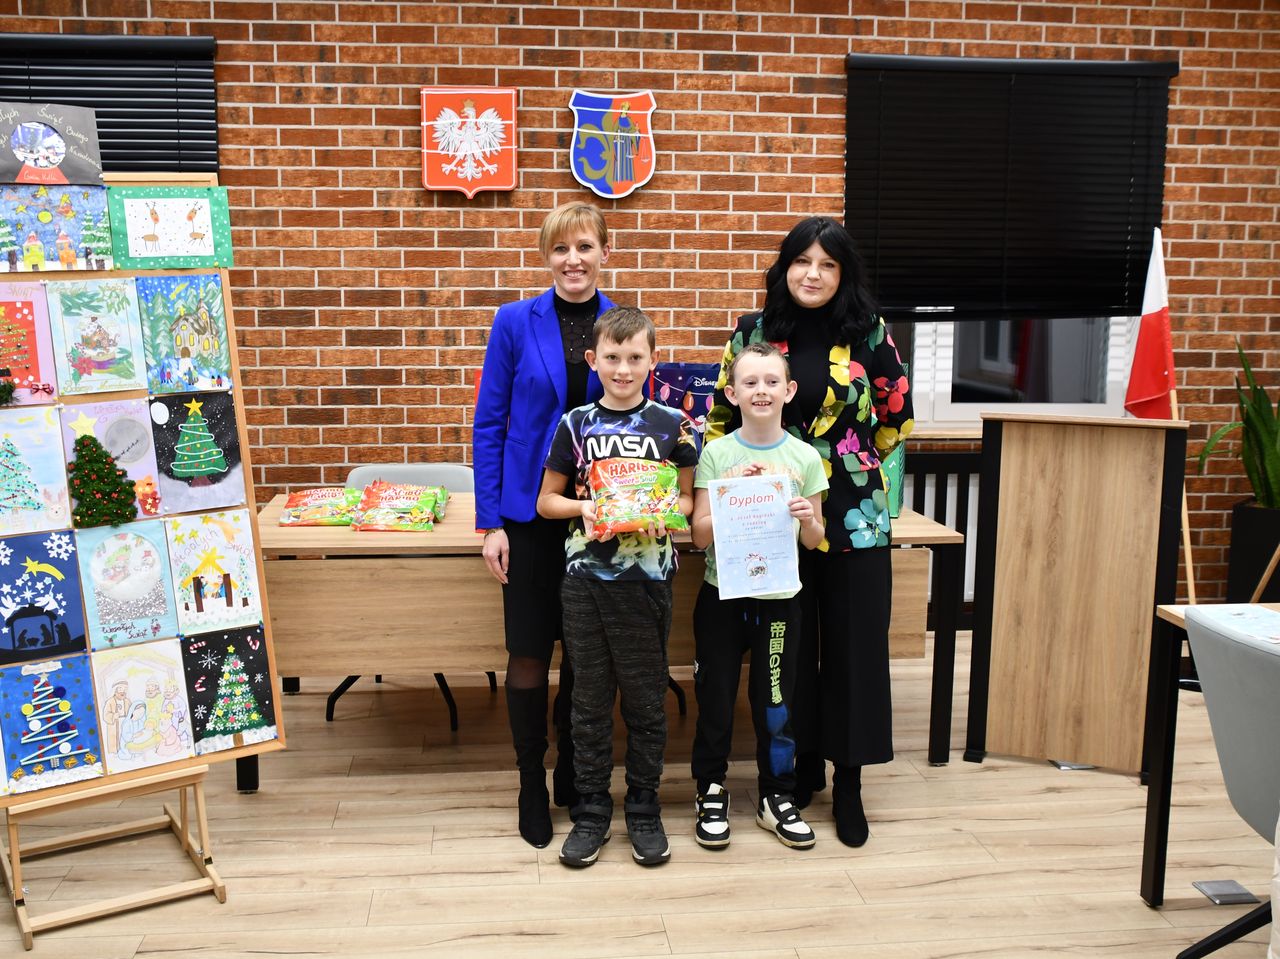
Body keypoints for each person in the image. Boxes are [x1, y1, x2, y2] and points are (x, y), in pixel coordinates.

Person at [705, 216, 913, 848]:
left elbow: (896, 417)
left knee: (853, 649)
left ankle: (848, 783)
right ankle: (798, 773)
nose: (813, 274)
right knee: (789, 653)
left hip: (853, 515)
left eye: (827, 264)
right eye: (802, 261)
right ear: (785, 267)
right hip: (769, 520)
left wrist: (844, 463)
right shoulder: (754, 331)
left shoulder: (869, 330)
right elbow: (719, 417)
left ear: (843, 274)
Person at [473, 201, 616, 849]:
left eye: (584, 246)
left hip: (598, 515)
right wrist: (491, 523)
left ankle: (573, 771)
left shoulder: (620, 322)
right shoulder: (514, 321)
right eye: (561, 248)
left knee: (586, 652)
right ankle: (531, 779)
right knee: (530, 651)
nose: (573, 260)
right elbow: (490, 423)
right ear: (546, 256)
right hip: (529, 515)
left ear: (604, 252)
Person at [536, 306, 698, 868]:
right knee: (588, 701)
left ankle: (645, 808)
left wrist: (665, 514)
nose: (623, 369)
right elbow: (547, 501)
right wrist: (587, 507)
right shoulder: (575, 424)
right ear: (593, 360)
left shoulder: (673, 424)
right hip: (585, 580)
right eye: (612, 357)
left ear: (653, 360)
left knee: (647, 699)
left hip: (647, 580)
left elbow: (687, 500)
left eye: (634, 357)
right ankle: (591, 811)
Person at [689, 342, 828, 850]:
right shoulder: (716, 454)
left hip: (779, 599)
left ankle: (777, 796)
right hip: (722, 598)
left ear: (789, 391)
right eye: (750, 382)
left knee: (775, 702)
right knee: (716, 700)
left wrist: (807, 518)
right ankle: (710, 790)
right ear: (732, 394)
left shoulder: (805, 457)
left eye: (772, 382)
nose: (761, 391)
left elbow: (815, 539)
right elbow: (698, 536)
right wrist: (727, 493)